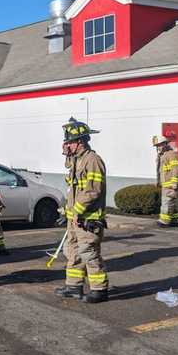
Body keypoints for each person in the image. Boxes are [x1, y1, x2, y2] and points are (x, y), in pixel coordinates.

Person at [55, 118, 109, 304]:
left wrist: (77, 210)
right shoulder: (77, 160)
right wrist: (67, 155)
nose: (66, 144)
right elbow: (73, 182)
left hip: (88, 218)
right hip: (75, 219)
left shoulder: (92, 160)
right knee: (72, 252)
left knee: (89, 253)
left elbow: (93, 190)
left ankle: (99, 290)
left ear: (81, 141)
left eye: (69, 141)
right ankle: (73, 286)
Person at [154, 135, 178, 227]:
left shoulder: (171, 154)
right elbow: (161, 171)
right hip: (166, 184)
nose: (158, 147)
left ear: (165, 144)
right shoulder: (163, 155)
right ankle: (175, 220)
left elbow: (176, 168)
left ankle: (164, 221)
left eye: (160, 145)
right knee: (172, 203)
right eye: (157, 146)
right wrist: (159, 182)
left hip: (170, 184)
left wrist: (174, 182)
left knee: (167, 202)